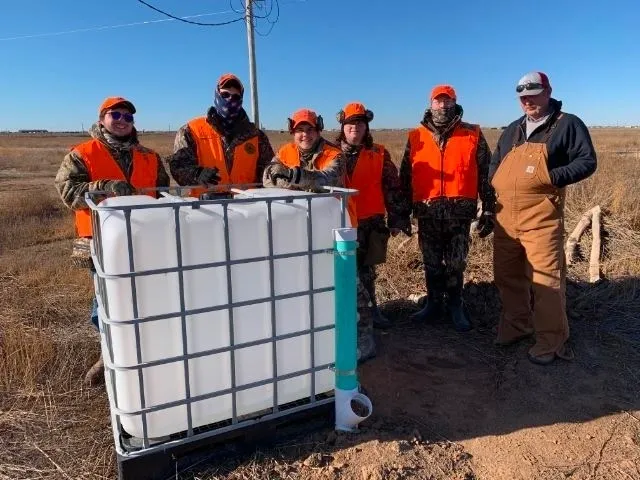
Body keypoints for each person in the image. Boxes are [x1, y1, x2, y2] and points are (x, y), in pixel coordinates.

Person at [54, 96, 170, 385]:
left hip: (146, 238)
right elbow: (68, 193)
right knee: (107, 300)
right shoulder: (82, 154)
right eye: (115, 115)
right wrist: (103, 188)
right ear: (102, 118)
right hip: (102, 241)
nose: (121, 121)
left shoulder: (150, 156)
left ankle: (147, 352)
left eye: (128, 117)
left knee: (148, 296)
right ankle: (109, 355)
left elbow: (162, 192)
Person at [490, 71, 597, 365]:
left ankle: (551, 340)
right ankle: (517, 326)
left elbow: (587, 161)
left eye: (534, 94)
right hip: (505, 218)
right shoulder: (513, 129)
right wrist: (493, 183)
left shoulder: (567, 124)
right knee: (507, 276)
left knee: (545, 281)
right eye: (523, 97)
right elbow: (496, 162)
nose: (528, 101)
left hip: (541, 219)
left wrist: (552, 176)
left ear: (548, 91)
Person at [263, 109, 376, 363]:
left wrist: (296, 177)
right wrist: (293, 180)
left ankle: (365, 340)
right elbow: (268, 178)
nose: (305, 135)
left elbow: (328, 179)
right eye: (300, 130)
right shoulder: (284, 152)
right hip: (300, 233)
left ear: (319, 130)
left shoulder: (333, 153)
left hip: (338, 229)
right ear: (293, 132)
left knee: (350, 285)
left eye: (310, 129)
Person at [400, 85, 494, 332]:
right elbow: (405, 177)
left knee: (456, 263)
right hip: (427, 213)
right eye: (438, 101)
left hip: (459, 213)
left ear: (455, 102)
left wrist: (489, 208)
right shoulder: (415, 136)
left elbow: (487, 174)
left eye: (447, 101)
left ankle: (455, 305)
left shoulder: (472, 134)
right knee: (430, 261)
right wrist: (400, 212)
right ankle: (432, 304)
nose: (442, 106)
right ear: (431, 104)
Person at [335, 102, 411, 330]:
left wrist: (398, 218)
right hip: (340, 222)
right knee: (342, 271)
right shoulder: (330, 152)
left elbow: (392, 187)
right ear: (342, 126)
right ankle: (344, 314)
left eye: (360, 123)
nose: (355, 128)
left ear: (366, 127)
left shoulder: (379, 152)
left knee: (368, 272)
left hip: (371, 221)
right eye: (350, 123)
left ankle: (371, 311)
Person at [169, 73, 274, 196]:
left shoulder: (256, 136)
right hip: (206, 208)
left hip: (246, 209)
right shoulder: (191, 130)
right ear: (217, 96)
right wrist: (196, 174)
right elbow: (178, 167)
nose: (230, 99)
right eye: (225, 95)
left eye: (235, 97)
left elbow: (268, 172)